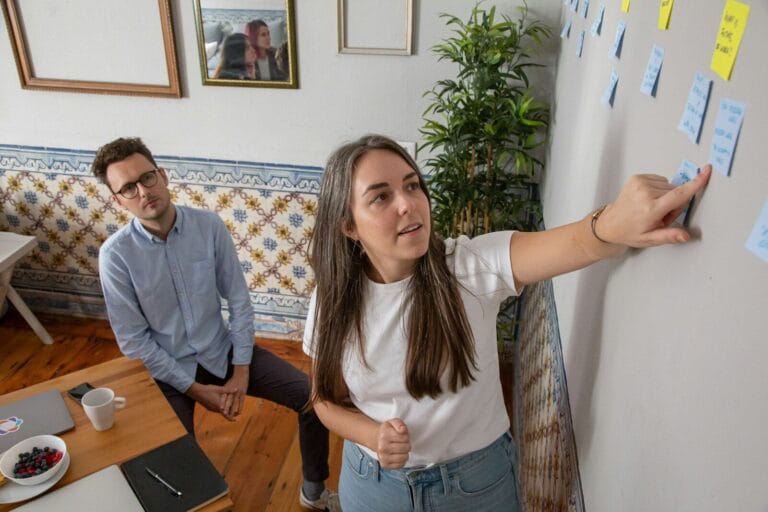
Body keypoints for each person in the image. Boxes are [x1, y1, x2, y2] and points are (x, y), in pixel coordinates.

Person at [303, 134, 712, 511]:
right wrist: (370, 435)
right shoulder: (333, 300)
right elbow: (323, 401)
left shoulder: (470, 267)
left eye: (412, 185)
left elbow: (582, 242)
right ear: (349, 226)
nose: (408, 203)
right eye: (380, 197)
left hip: (476, 485)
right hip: (373, 485)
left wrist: (616, 222)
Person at [92, 137, 340, 511]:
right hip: (169, 370)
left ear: (162, 175)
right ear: (117, 200)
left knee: (312, 399)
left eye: (147, 178)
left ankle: (314, 490)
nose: (143, 191)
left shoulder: (208, 226)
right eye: (128, 187)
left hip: (223, 352)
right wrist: (195, 390)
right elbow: (134, 342)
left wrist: (240, 372)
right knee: (171, 454)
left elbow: (238, 301)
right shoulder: (115, 256)